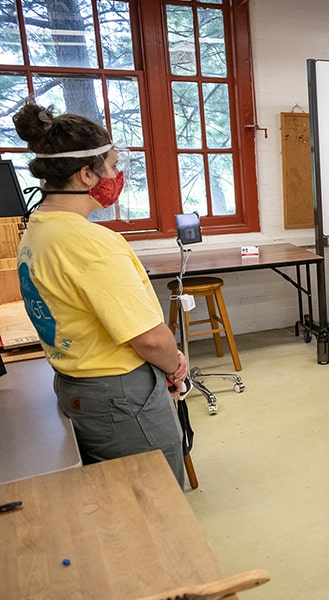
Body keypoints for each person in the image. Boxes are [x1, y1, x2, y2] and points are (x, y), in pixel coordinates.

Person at [14, 98, 187, 486]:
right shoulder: (89, 242)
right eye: (110, 164)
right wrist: (174, 362)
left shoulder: (39, 229)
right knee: (157, 499)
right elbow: (147, 336)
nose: (116, 174)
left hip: (75, 383)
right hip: (120, 394)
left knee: (117, 497)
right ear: (86, 175)